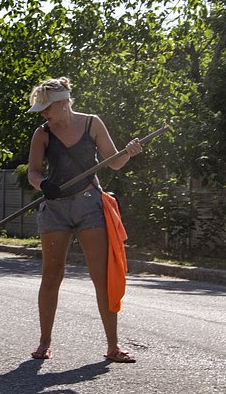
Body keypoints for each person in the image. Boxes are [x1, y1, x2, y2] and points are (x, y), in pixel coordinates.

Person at [26, 77, 142, 363]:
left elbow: (113, 161)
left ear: (63, 103)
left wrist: (128, 153)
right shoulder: (42, 133)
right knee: (52, 275)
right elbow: (33, 173)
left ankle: (113, 346)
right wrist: (44, 185)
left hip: (90, 204)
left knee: (101, 277)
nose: (43, 114)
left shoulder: (92, 123)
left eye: (46, 108)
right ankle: (44, 342)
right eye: (41, 110)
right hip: (55, 208)